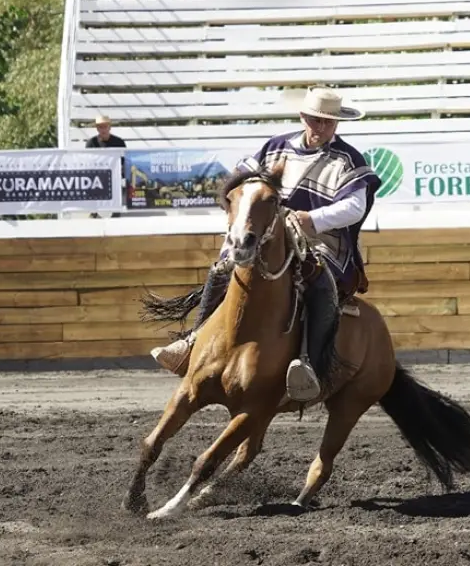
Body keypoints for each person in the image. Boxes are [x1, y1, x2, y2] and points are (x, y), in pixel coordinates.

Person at [150, 87, 381, 403]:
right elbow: (238, 180)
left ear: (337, 124)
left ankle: (311, 363)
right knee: (223, 268)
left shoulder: (348, 159)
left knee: (320, 281)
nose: (321, 128)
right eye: (316, 120)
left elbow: (354, 207)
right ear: (304, 117)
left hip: (321, 240)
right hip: (268, 233)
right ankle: (193, 341)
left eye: (328, 122)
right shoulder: (275, 148)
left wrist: (310, 219)